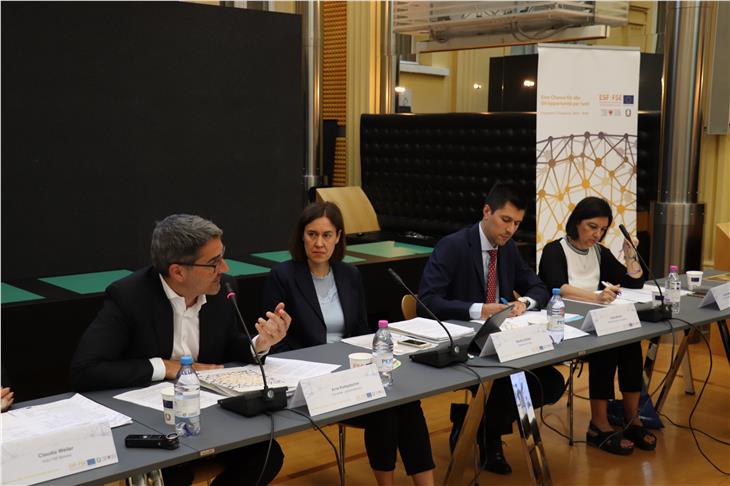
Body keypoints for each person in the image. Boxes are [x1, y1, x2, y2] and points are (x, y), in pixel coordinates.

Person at [70, 214, 291, 486]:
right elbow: (85, 369)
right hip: (154, 422)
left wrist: (260, 343)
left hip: (211, 415)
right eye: (213, 263)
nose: (224, 267)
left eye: (222, 257)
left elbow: (227, 344)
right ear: (178, 272)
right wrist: (166, 366)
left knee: (266, 455)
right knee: (172, 474)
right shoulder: (130, 296)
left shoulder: (222, 289)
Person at [262, 201, 435, 486]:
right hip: (313, 380)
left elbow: (361, 332)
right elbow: (276, 345)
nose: (319, 243)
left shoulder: (349, 275)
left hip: (353, 371)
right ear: (302, 236)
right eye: (312, 234)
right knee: (385, 411)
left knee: (407, 403)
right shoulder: (283, 277)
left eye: (327, 235)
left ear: (339, 237)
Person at [418, 183, 565, 475]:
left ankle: (474, 425)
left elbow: (538, 287)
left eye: (517, 223)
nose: (510, 230)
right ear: (487, 211)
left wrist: (523, 302)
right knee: (504, 382)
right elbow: (427, 301)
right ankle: (490, 439)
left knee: (550, 383)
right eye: (505, 220)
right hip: (465, 343)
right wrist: (479, 309)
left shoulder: (507, 249)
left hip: (504, 342)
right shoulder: (453, 246)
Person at [538, 196, 656, 455]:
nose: (597, 234)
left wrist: (630, 255)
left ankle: (631, 418)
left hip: (596, 320)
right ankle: (598, 425)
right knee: (606, 346)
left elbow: (634, 282)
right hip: (565, 322)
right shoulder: (554, 250)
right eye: (592, 227)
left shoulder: (599, 252)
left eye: (602, 229)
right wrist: (595, 297)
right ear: (576, 222)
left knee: (630, 343)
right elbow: (557, 286)